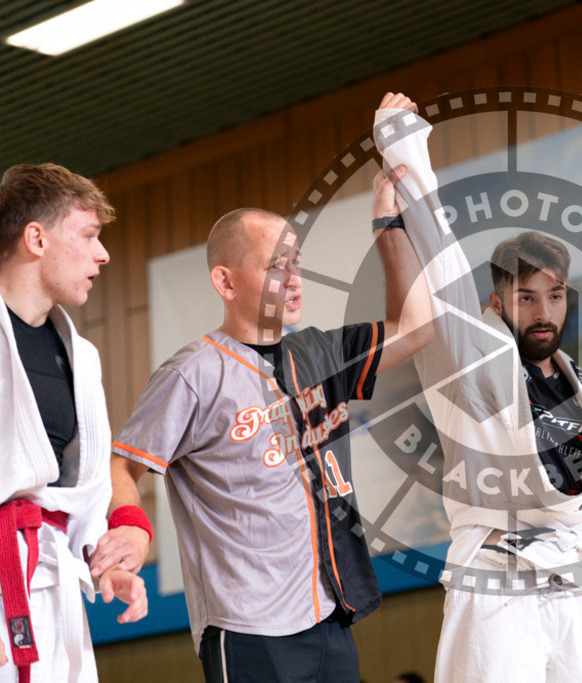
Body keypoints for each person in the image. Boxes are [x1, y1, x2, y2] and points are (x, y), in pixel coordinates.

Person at [89, 93, 433, 681]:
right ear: (225, 281)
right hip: (248, 630)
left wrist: (388, 229)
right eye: (275, 265)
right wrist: (129, 525)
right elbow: (122, 465)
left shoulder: (320, 352)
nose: (292, 278)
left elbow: (418, 326)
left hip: (331, 613)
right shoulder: (192, 372)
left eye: (296, 262)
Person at [377, 92, 582, 681]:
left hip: (580, 582)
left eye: (554, 295)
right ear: (496, 304)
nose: (543, 311)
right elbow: (443, 267)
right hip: (498, 578)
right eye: (526, 298)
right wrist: (403, 145)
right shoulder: (473, 364)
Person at [0, 164, 147, 682]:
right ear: (35, 238)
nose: (102, 253)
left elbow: (78, 489)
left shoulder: (81, 357)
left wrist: (104, 561)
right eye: (87, 235)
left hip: (51, 577)